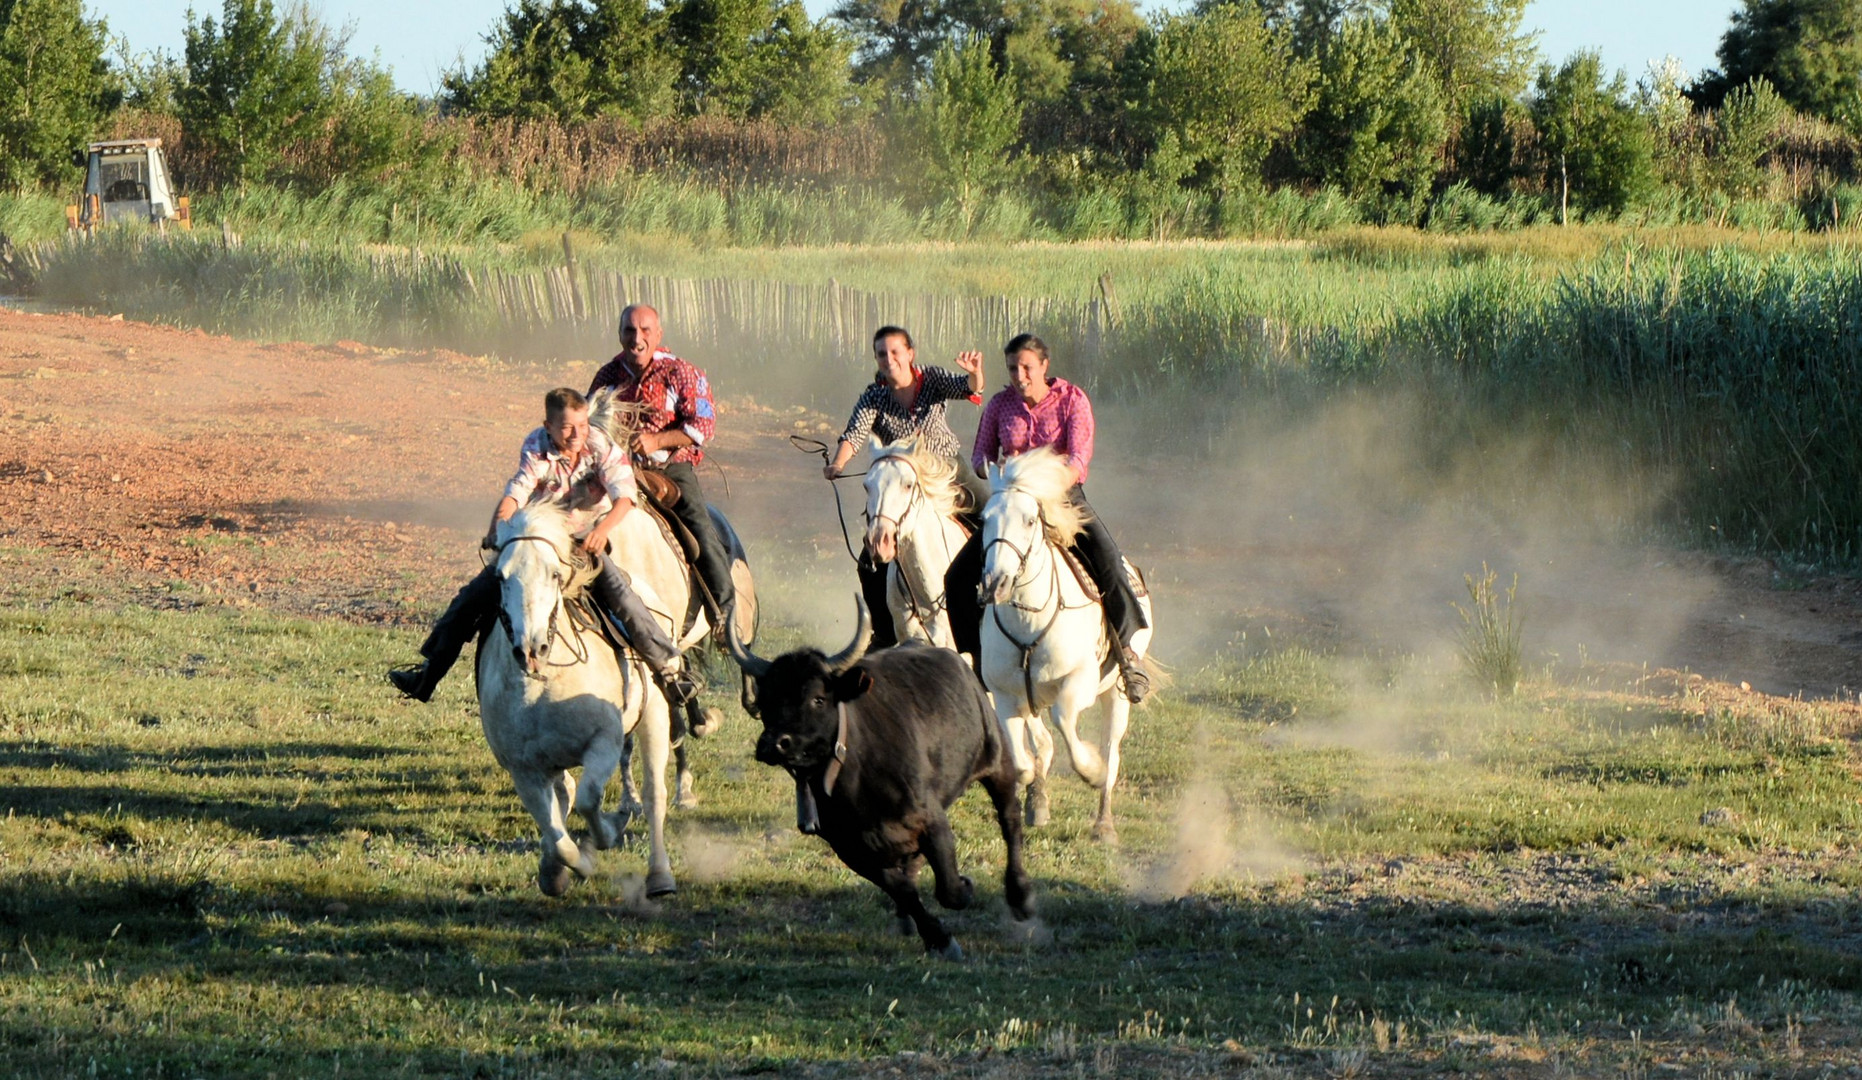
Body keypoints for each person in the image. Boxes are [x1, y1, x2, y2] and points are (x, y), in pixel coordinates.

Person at [387, 387, 699, 706]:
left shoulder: (600, 445)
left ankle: (668, 672)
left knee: (621, 595)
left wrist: (602, 532)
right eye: (566, 427)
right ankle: (429, 674)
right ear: (548, 426)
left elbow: (625, 498)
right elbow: (517, 491)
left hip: (583, 542)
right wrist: (499, 526)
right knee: (473, 596)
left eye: (581, 425)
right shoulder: (536, 445)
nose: (576, 434)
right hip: (540, 539)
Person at [944, 333, 1152, 703]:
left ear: (1044, 366)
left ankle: (1127, 658)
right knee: (957, 577)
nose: (1019, 375)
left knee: (1108, 561)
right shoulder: (998, 405)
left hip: (1062, 499)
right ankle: (976, 664)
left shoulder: (1072, 400)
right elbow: (979, 457)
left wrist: (1045, 480)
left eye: (1026, 367)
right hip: (1012, 501)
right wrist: (994, 470)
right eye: (1012, 367)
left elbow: (1078, 460)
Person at [825, 326, 987, 648]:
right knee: (868, 562)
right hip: (901, 480)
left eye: (895, 352)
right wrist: (838, 464)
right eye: (882, 354)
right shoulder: (874, 395)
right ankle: (884, 635)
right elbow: (855, 433)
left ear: (910, 353)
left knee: (991, 516)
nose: (889, 359)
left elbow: (967, 388)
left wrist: (975, 374)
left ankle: (996, 604)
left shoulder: (932, 378)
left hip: (945, 470)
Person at [588, 304, 734, 624]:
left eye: (644, 331)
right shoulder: (608, 376)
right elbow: (589, 427)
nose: (636, 338)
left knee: (699, 526)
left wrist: (656, 441)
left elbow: (702, 427)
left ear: (658, 335)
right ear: (619, 335)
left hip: (671, 469)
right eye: (629, 330)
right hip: (619, 470)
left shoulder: (680, 372)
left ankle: (725, 613)